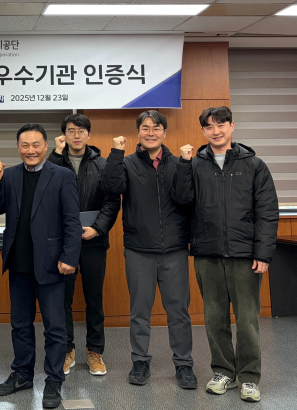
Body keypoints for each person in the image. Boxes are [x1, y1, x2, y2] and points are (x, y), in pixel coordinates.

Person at [173, 106, 278, 402]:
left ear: (232, 126)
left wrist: (263, 253)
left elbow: (267, 211)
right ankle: (223, 372)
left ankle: (249, 377)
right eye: (209, 126)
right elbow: (181, 199)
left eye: (221, 124)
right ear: (203, 131)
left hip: (245, 255)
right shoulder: (195, 164)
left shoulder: (254, 164)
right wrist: (183, 164)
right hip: (207, 253)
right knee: (214, 317)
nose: (215, 131)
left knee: (247, 319)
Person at [0, 123, 81, 409]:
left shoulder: (62, 175)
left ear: (46, 146)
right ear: (18, 147)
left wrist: (70, 256)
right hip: (18, 263)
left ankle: (53, 380)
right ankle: (22, 374)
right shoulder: (10, 175)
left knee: (55, 328)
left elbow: (72, 220)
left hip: (52, 264)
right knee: (20, 325)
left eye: (36, 144)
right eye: (25, 145)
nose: (31, 150)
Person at [104, 110, 197, 389]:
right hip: (139, 250)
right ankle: (140, 361)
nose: (151, 132)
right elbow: (112, 187)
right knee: (140, 311)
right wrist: (116, 153)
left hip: (174, 249)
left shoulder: (178, 163)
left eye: (156, 128)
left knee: (178, 311)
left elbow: (186, 198)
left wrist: (185, 164)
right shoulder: (127, 163)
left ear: (164, 132)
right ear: (138, 133)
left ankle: (184, 364)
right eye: (145, 128)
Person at [48, 114, 120, 376]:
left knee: (94, 299)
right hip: (62, 242)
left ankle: (95, 351)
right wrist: (55, 155)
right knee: (62, 299)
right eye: (71, 131)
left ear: (89, 134)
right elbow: (46, 193)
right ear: (63, 135)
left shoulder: (102, 164)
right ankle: (67, 349)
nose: (76, 135)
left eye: (81, 131)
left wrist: (98, 229)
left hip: (94, 241)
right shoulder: (54, 162)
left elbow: (112, 200)